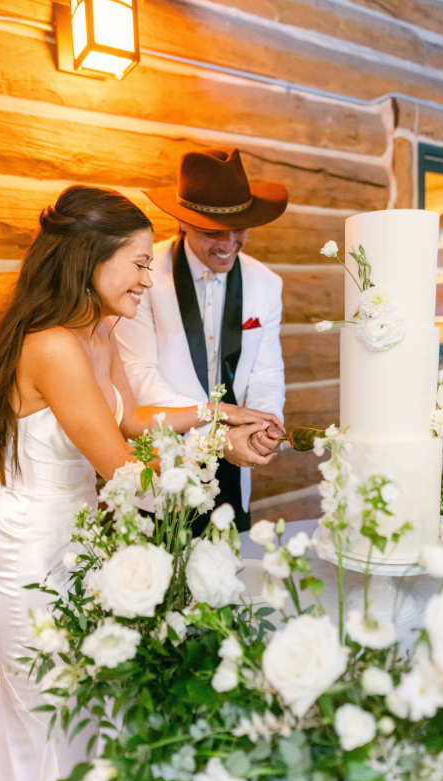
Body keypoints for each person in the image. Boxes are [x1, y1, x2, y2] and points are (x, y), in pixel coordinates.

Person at [0, 185, 282, 781]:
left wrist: (220, 415)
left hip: (78, 539)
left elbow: (133, 419)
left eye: (150, 262)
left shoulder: (96, 332)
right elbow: (124, 468)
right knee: (50, 704)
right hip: (32, 550)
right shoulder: (55, 347)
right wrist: (220, 447)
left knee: (79, 701)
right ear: (92, 258)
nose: (148, 279)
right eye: (139, 263)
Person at [115, 147, 288, 533]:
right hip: (163, 461)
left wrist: (262, 424)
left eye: (239, 229)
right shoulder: (142, 276)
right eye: (213, 232)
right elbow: (140, 378)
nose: (228, 244)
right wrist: (220, 429)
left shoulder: (266, 284)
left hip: (234, 466)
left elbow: (266, 373)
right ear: (183, 222)